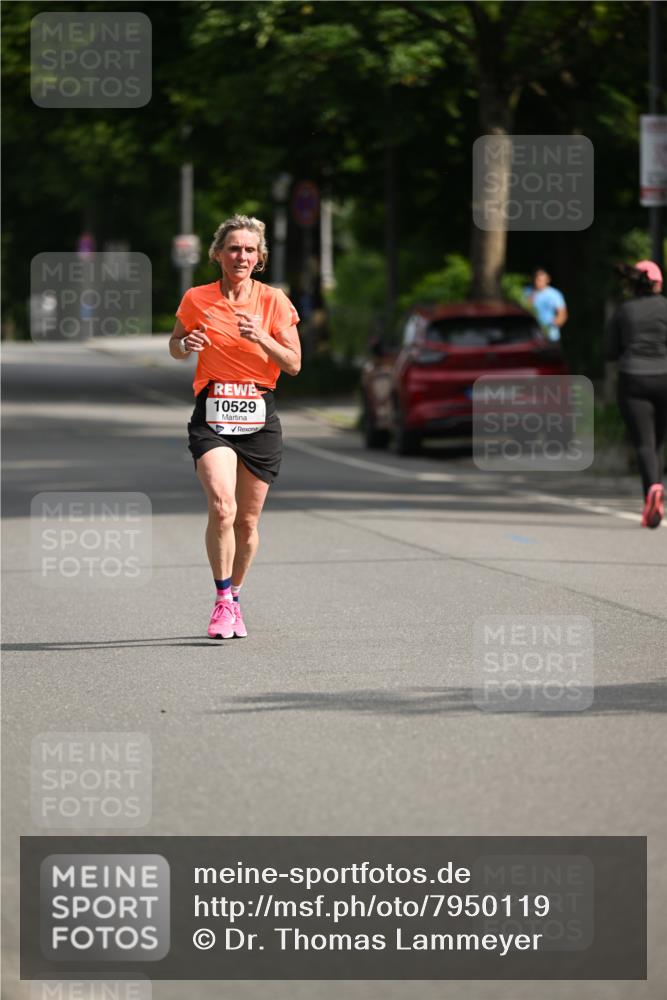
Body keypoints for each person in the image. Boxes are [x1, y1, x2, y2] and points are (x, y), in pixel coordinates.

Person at [169, 215, 301, 637]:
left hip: (259, 413)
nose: (240, 255)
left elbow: (294, 364)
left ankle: (237, 596)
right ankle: (222, 600)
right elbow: (174, 344)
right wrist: (184, 345)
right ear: (218, 254)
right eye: (233, 248)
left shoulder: (274, 301)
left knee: (246, 522)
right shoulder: (197, 298)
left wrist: (262, 336)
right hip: (213, 412)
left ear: (259, 257)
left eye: (248, 249)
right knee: (222, 506)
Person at [606, 260, 667, 528]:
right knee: (657, 443)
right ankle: (657, 488)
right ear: (658, 283)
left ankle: (652, 491)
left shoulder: (624, 311)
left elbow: (608, 352)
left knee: (644, 442)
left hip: (634, 379)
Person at [523, 268, 568, 342]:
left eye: (540, 280)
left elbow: (562, 315)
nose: (537, 282)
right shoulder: (526, 292)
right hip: (529, 336)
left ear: (547, 280)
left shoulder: (554, 294)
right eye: (536, 279)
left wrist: (549, 326)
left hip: (550, 336)